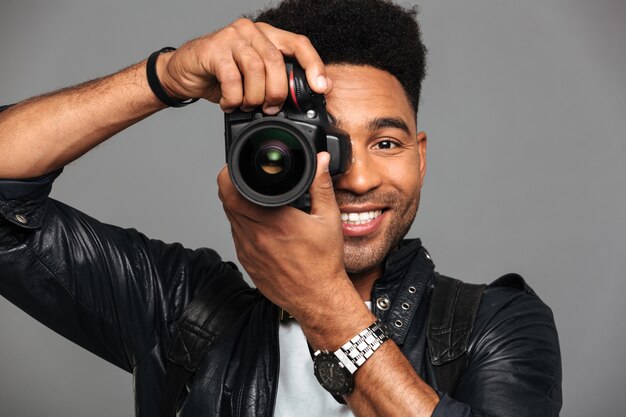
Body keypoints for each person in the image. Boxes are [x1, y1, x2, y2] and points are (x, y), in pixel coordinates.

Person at [0, 0, 562, 416]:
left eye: (386, 143)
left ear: (420, 157)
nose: (358, 177)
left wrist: (326, 308)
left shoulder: (492, 325)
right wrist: (165, 76)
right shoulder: (182, 311)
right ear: (267, 153)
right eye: (325, 144)